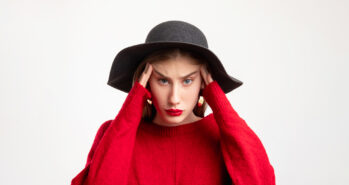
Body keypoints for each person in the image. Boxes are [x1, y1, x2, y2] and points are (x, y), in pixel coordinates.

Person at [71, 20, 276, 185]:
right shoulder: (116, 136)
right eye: (163, 80)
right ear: (147, 81)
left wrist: (218, 100)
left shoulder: (226, 138)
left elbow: (260, 181)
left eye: (187, 81)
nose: (174, 98)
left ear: (203, 82)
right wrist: (134, 102)